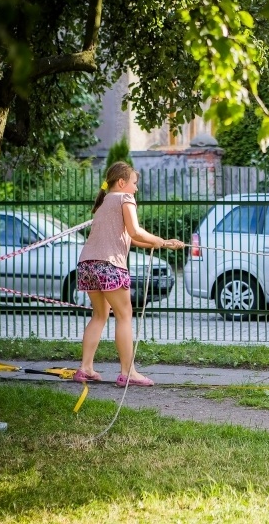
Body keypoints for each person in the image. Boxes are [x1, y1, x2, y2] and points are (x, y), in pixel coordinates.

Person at [74, 161, 184, 387]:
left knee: (100, 315)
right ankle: (128, 372)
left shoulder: (104, 203)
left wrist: (163, 244)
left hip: (87, 265)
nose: (136, 188)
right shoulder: (125, 198)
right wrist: (162, 241)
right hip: (109, 265)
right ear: (122, 182)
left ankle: (85, 368)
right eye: (134, 183)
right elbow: (135, 230)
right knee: (124, 315)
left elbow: (130, 239)